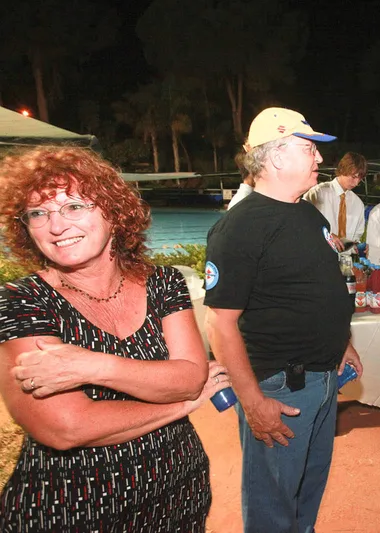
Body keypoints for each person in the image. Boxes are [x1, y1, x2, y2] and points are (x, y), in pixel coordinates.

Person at [0, 147, 224, 532]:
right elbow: (66, 427)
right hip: (73, 507)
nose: (56, 226)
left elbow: (189, 377)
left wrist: (91, 365)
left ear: (113, 212)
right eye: (38, 213)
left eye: (74, 206)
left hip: (178, 490)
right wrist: (180, 405)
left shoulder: (164, 283)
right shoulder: (21, 301)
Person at [203, 107, 362, 533]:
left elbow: (319, 287)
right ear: (275, 157)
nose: (319, 158)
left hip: (323, 379)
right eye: (309, 149)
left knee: (308, 492)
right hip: (280, 388)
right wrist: (253, 402)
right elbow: (220, 324)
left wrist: (342, 342)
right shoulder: (239, 228)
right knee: (273, 505)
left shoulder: (308, 214)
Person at [304, 151, 367, 243]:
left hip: (347, 252)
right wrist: (326, 235)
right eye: (353, 177)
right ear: (343, 170)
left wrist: (357, 245)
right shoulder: (318, 193)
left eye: (360, 179)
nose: (356, 183)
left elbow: (357, 234)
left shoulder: (358, 203)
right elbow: (303, 222)